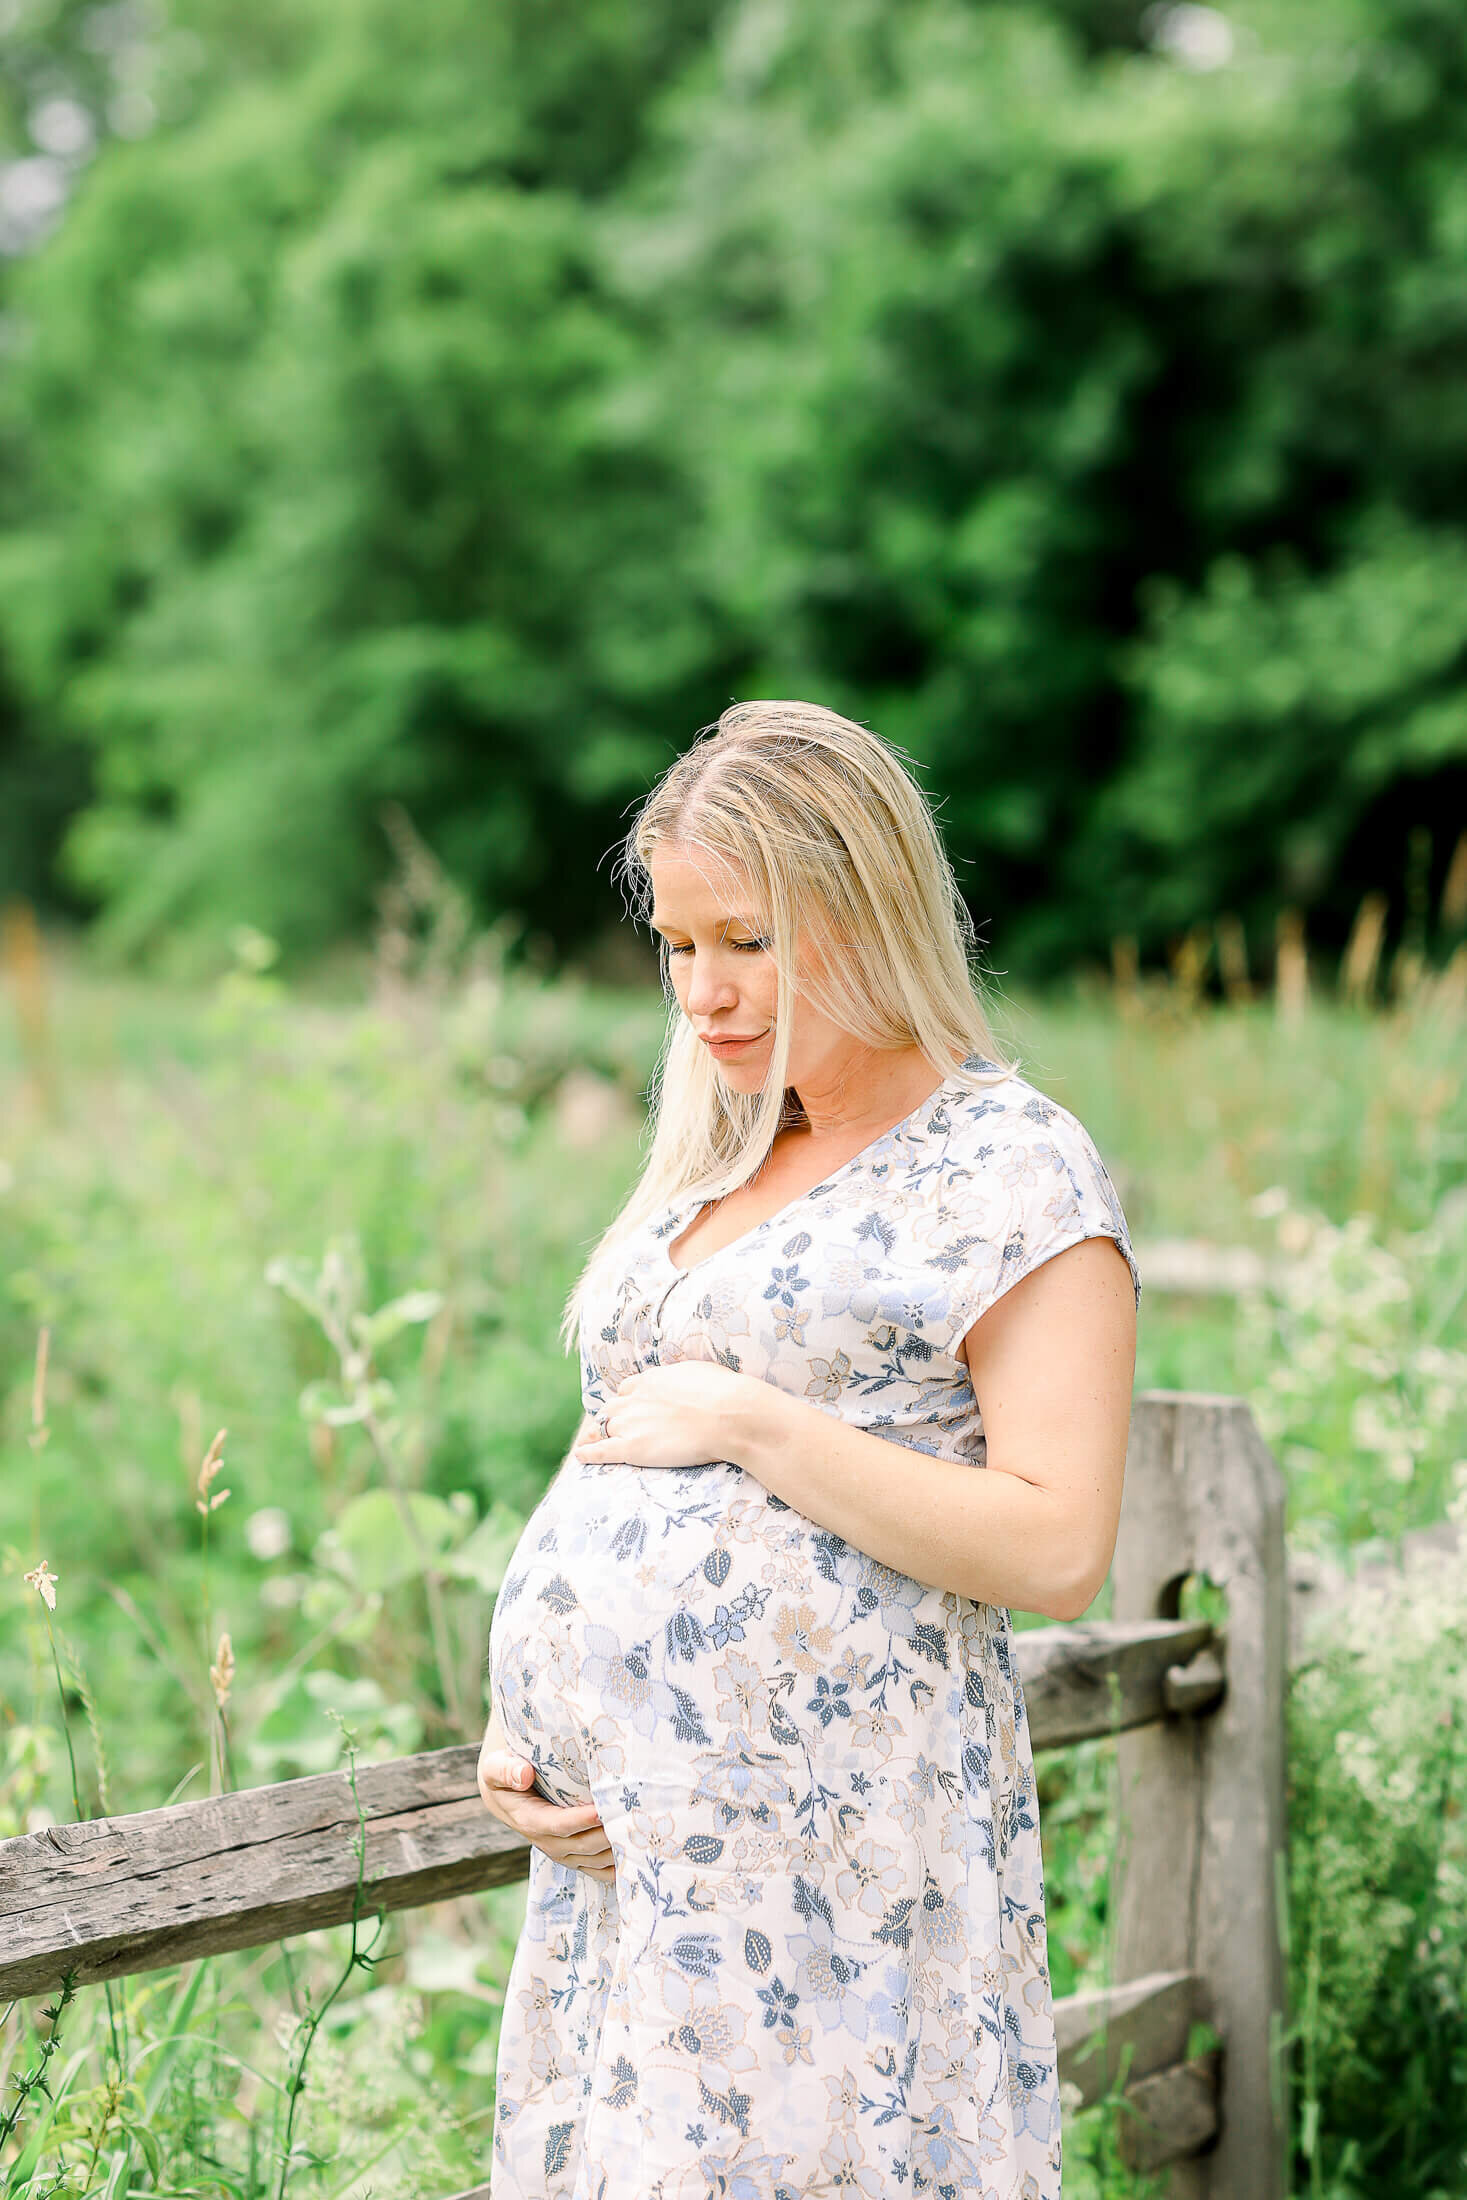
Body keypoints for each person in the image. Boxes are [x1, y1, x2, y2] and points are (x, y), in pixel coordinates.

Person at [476, 700, 1140, 2199]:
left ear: (871, 910)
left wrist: (757, 1422)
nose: (701, 991)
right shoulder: (716, 1155)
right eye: (676, 944)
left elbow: (1056, 1544)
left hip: (837, 1872)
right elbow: (619, 1448)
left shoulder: (1009, 1168)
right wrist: (526, 1730)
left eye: (748, 942)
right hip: (638, 1876)